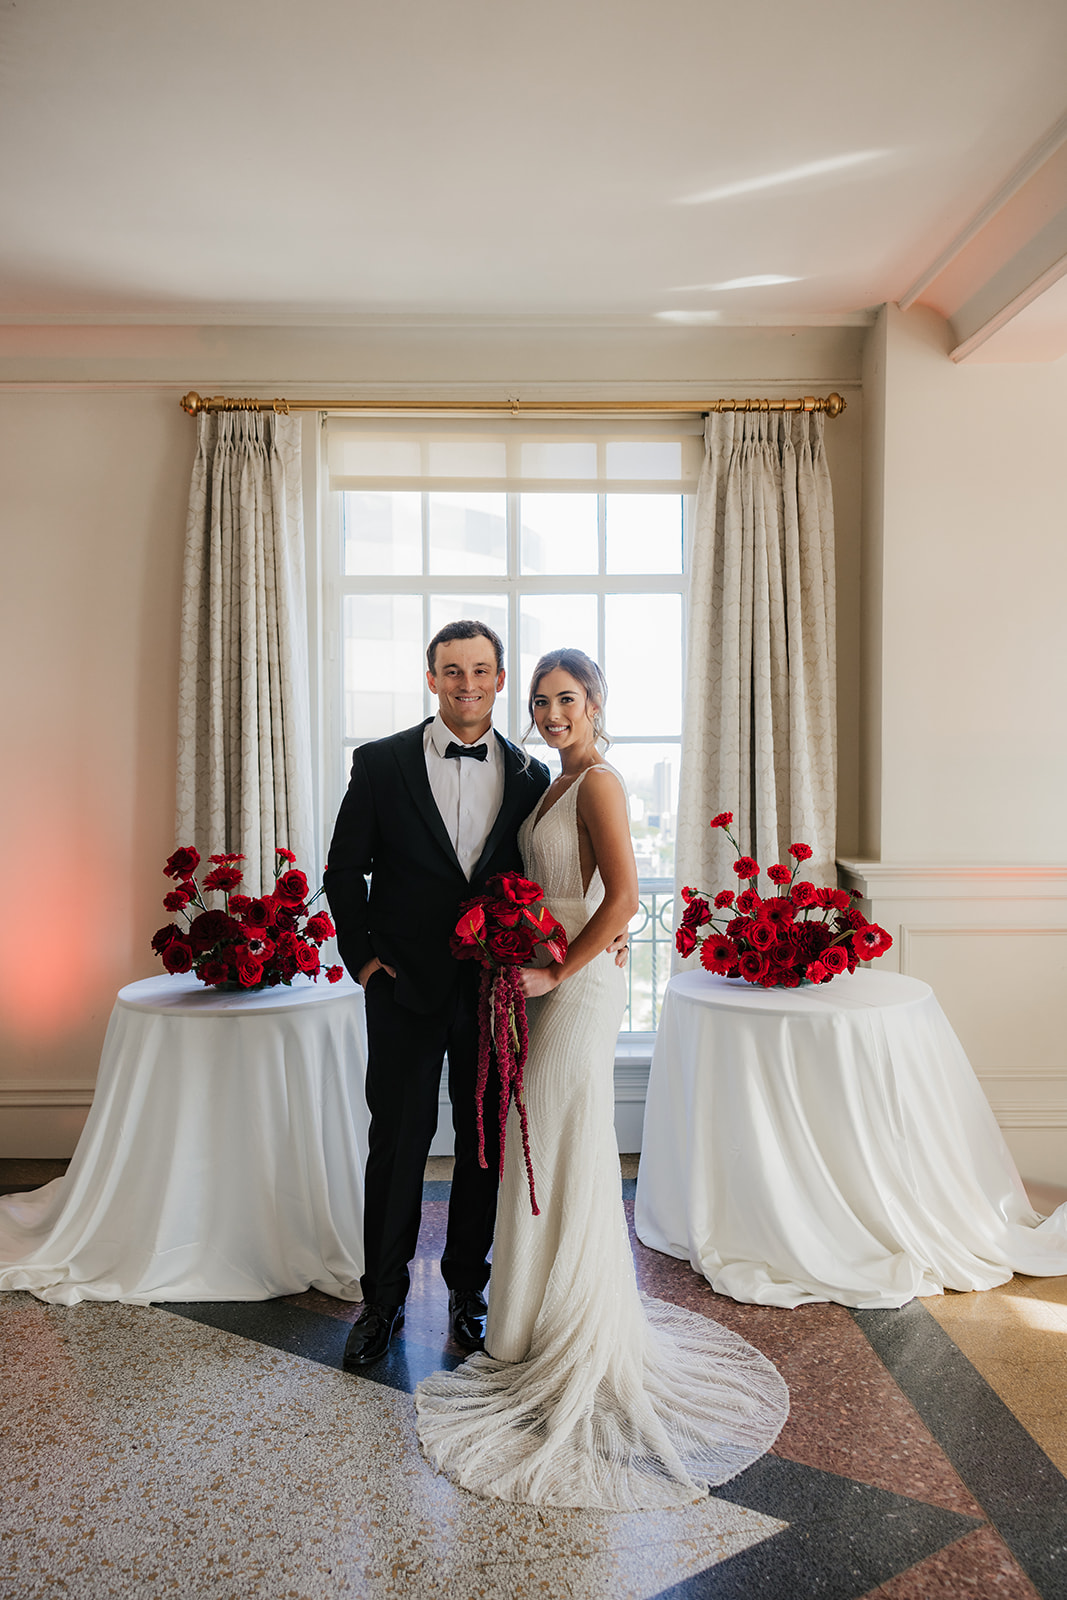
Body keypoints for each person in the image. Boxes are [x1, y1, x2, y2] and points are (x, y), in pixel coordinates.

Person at [414, 649, 789, 1510]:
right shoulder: (549, 781)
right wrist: (519, 940)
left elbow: (622, 898)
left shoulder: (600, 783)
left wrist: (560, 969)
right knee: (539, 1140)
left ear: (595, 702)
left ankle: (570, 1330)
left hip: (577, 985)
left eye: (566, 700)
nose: (550, 713)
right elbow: (553, 887)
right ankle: (524, 1323)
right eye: (541, 701)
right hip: (546, 972)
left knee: (549, 1137)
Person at [325, 620, 551, 1365]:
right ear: (431, 679)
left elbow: (545, 877)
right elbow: (342, 871)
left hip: (492, 992)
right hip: (401, 988)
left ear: (499, 678)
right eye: (452, 671)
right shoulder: (382, 762)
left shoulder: (529, 776)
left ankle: (466, 1291)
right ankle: (382, 1303)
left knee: (481, 1148)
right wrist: (363, 963)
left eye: (480, 670)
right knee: (397, 1147)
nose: (467, 684)